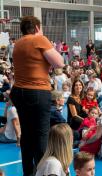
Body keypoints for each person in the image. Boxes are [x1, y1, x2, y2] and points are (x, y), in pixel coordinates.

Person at [10, 16, 64, 176]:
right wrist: (41, 37)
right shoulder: (39, 40)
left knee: (27, 134)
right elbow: (59, 63)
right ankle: (44, 172)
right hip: (37, 91)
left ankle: (29, 172)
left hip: (19, 91)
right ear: (37, 28)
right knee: (41, 134)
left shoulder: (18, 44)